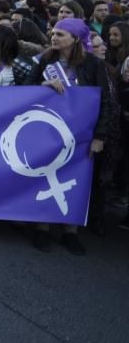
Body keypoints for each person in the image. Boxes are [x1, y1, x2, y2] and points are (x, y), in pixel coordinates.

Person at [22, 18, 115, 254]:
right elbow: (25, 88)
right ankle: (41, 227)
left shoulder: (93, 64)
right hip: (48, 130)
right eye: (53, 33)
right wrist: (44, 83)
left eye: (61, 34)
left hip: (81, 132)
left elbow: (105, 101)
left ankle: (70, 231)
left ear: (75, 39)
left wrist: (100, 136)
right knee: (45, 174)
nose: (54, 37)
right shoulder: (44, 60)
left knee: (77, 179)